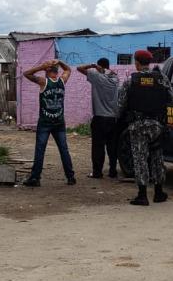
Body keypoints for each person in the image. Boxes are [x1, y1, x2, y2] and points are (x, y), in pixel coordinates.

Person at [117, 50, 173, 206]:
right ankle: (159, 192)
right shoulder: (162, 79)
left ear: (136, 63)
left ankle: (142, 195)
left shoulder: (131, 81)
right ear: (149, 62)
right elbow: (172, 97)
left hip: (138, 125)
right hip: (157, 124)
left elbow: (121, 103)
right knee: (157, 157)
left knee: (140, 158)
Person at [22, 59, 76, 187]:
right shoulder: (62, 81)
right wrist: (61, 61)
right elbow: (68, 69)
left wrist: (41, 67)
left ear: (47, 71)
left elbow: (26, 74)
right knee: (64, 150)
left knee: (40, 150)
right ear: (57, 72)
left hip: (45, 123)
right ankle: (70, 177)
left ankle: (35, 178)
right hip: (59, 122)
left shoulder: (43, 82)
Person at [77, 58, 120, 178]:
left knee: (98, 146)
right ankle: (113, 171)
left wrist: (92, 65)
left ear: (99, 66)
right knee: (112, 146)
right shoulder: (115, 78)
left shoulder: (97, 77)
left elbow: (79, 68)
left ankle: (97, 172)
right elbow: (111, 73)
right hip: (113, 118)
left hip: (100, 118)